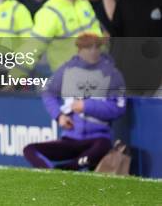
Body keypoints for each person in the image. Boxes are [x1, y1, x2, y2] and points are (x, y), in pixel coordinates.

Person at [23, 34, 125, 171]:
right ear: (79, 49)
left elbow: (118, 108)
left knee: (101, 148)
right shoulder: (67, 70)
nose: (93, 51)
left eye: (97, 47)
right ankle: (53, 171)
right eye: (88, 48)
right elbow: (48, 92)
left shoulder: (112, 74)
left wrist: (86, 106)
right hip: (71, 137)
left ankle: (65, 170)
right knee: (29, 149)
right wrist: (59, 116)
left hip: (99, 138)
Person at [29, 0, 103, 71]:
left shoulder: (84, 3)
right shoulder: (49, 12)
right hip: (66, 76)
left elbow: (96, 32)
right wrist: (14, 78)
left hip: (94, 70)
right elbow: (33, 47)